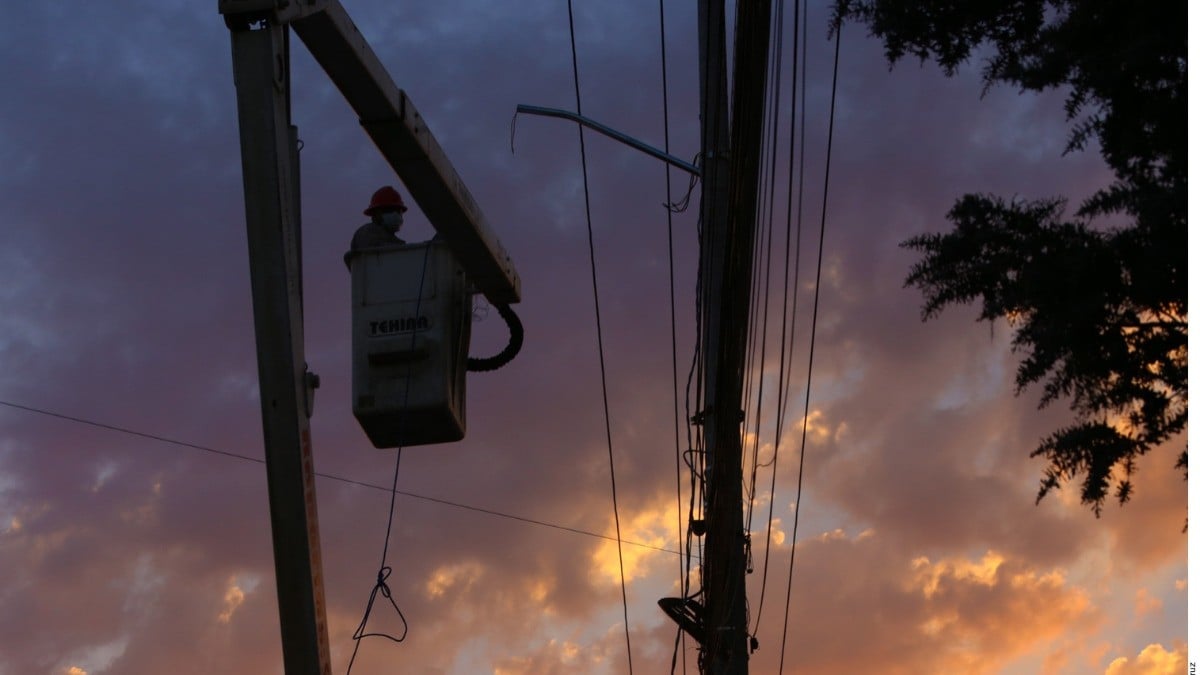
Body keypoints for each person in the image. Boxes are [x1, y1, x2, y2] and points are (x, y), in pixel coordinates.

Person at [344, 185, 408, 269]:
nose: (396, 215)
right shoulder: (366, 232)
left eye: (399, 211)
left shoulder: (392, 238)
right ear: (376, 213)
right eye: (390, 210)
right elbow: (388, 255)